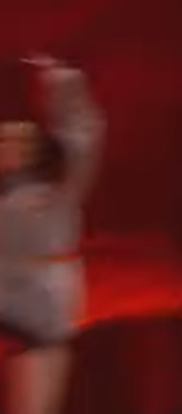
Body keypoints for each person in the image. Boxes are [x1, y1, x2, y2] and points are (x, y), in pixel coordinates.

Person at [0, 55, 105, 414]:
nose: (11, 148)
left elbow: (84, 135)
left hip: (41, 304)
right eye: (3, 140)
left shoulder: (59, 184)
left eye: (21, 139)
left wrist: (64, 81)